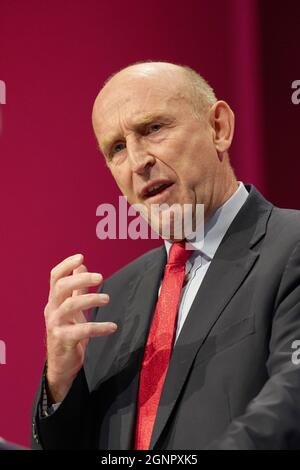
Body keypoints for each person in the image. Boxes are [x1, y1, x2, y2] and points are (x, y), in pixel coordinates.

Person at [31, 62, 300, 450]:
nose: (138, 161)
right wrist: (60, 383)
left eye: (153, 129)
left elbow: (289, 406)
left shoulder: (290, 247)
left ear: (218, 128)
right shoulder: (113, 299)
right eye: (117, 148)